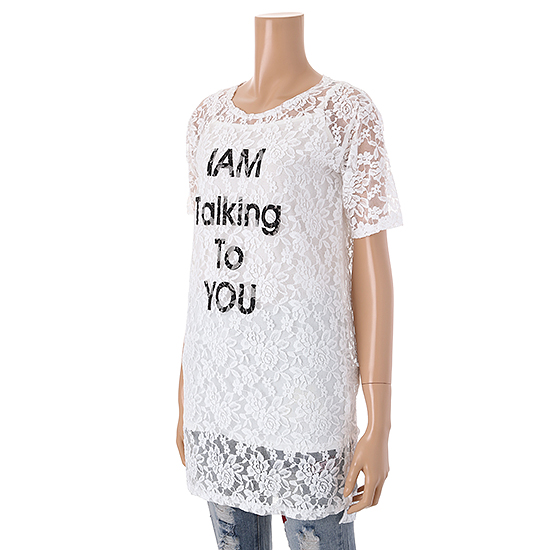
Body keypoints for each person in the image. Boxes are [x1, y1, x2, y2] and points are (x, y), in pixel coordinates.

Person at [177, 12, 403, 550]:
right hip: (217, 388)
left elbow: (371, 257)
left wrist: (380, 420)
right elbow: (209, 256)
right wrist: (184, 387)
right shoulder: (206, 119)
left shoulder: (342, 112)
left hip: (306, 392)